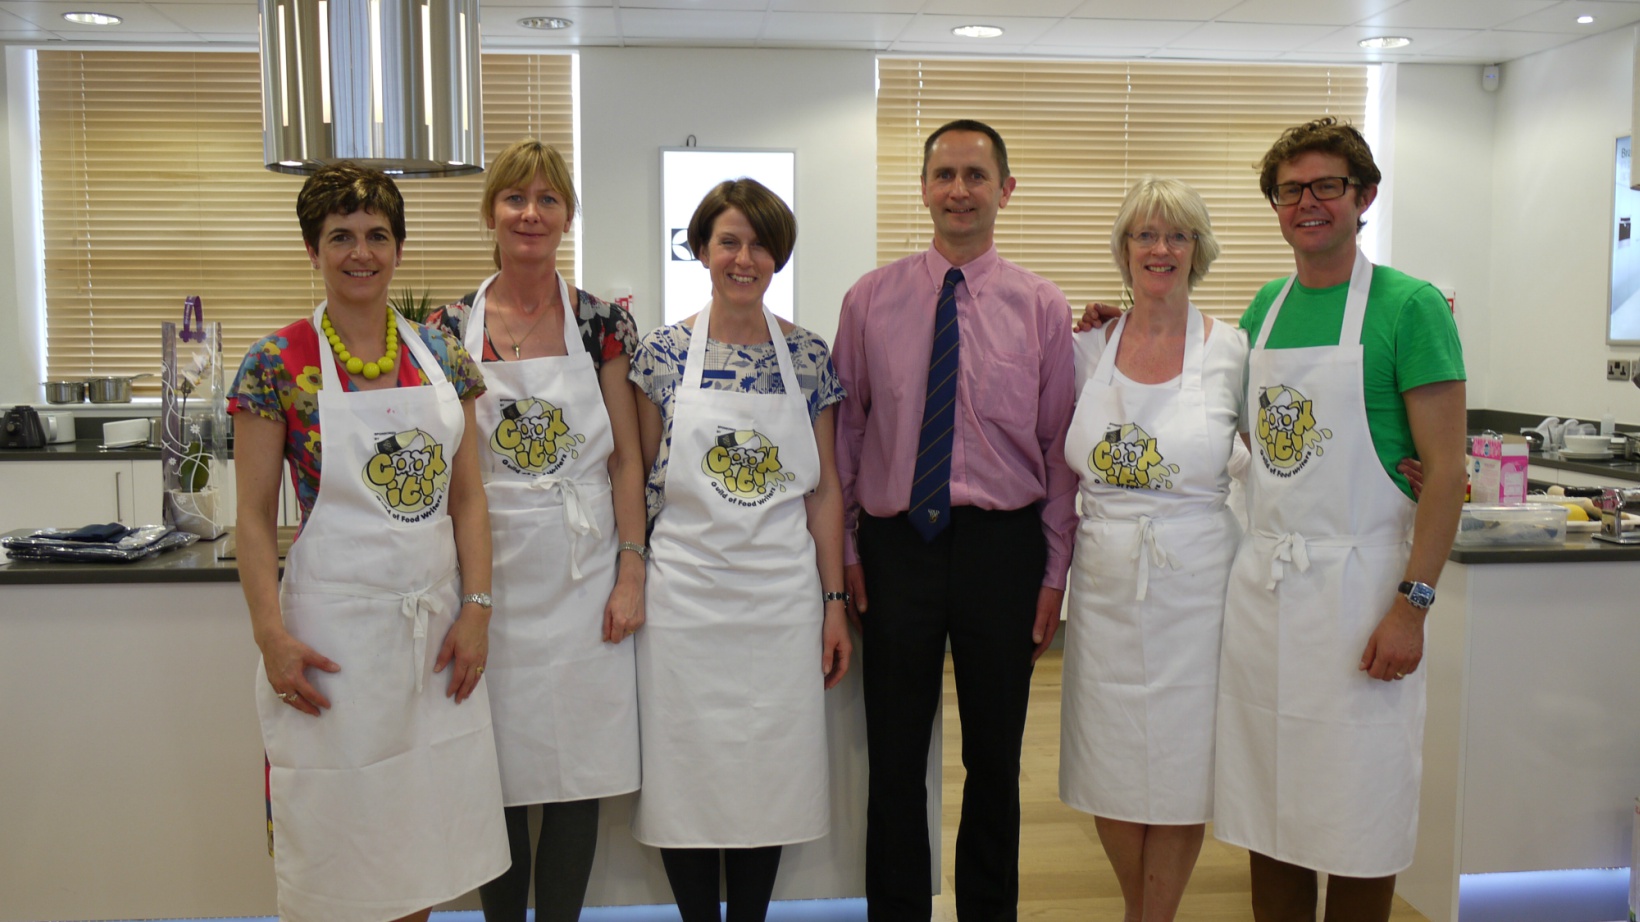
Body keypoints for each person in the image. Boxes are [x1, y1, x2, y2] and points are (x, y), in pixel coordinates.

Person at [231, 162, 508, 922]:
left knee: (413, 851)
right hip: (332, 646)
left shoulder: (442, 357)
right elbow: (252, 516)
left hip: (429, 644)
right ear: (313, 249)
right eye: (341, 237)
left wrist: (477, 608)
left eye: (377, 236)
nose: (361, 253)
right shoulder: (276, 364)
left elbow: (468, 499)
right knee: (338, 847)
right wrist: (270, 636)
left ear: (398, 246)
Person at [1212, 117, 1466, 922]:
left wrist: (1412, 605)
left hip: (1366, 596)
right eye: (1292, 190)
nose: (1309, 203)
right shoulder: (1265, 307)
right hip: (1270, 596)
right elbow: (1242, 431)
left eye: (1328, 186)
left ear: (1365, 197)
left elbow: (1447, 475)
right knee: (1271, 806)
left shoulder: (1410, 306)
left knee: (1361, 810)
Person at [833, 118, 1078, 921]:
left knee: (995, 761)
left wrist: (1052, 574)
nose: (959, 191)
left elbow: (1056, 451)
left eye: (976, 175)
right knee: (895, 760)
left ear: (1005, 191)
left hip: (1000, 552)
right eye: (945, 175)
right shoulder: (869, 300)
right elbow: (850, 434)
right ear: (926, 189)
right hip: (897, 546)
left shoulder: (1042, 307)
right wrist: (848, 554)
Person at [425, 138, 644, 922]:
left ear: (566, 217)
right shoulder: (448, 326)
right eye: (516, 198)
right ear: (492, 212)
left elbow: (624, 462)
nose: (531, 213)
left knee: (576, 771)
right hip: (490, 578)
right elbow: (450, 473)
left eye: (548, 200)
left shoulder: (601, 324)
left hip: (583, 576)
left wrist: (630, 572)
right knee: (501, 772)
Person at [628, 178, 852, 922]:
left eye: (759, 243)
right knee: (686, 776)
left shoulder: (808, 356)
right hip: (685, 599)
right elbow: (642, 482)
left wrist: (833, 606)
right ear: (701, 249)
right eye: (729, 240)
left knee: (768, 778)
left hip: (781, 600)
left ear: (777, 256)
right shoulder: (661, 355)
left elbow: (823, 494)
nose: (744, 257)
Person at [1058, 178, 1247, 922]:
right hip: (1104, 583)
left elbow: (1284, 452)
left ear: (1197, 250)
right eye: (1145, 234)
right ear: (1124, 249)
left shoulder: (1233, 348)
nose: (1160, 248)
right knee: (1108, 761)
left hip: (1196, 587)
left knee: (1179, 765)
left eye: (1177, 235)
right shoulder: (1085, 348)